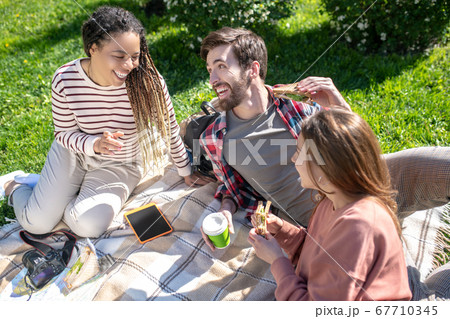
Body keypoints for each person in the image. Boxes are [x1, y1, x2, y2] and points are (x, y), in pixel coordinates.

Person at [0, 6, 212, 238]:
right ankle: (16, 186)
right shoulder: (65, 79)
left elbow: (169, 128)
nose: (130, 65)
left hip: (121, 164)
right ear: (93, 48)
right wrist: (94, 144)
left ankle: (59, 194)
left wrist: (186, 170)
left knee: (88, 226)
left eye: (135, 56)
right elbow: (63, 133)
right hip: (72, 155)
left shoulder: (149, 82)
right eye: (119, 56)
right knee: (37, 224)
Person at [198, 27, 350, 250]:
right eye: (210, 70)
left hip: (353, 196)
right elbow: (231, 187)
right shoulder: (216, 138)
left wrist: (338, 104)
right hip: (321, 228)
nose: (212, 79)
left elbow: (357, 148)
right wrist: (225, 210)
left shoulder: (298, 106)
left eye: (221, 66)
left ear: (252, 69)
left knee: (420, 160)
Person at [248, 109, 412, 301]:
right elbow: (316, 254)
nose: (293, 159)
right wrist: (282, 231)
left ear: (326, 168)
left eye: (299, 153)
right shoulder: (331, 200)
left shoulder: (358, 225)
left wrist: (277, 261)